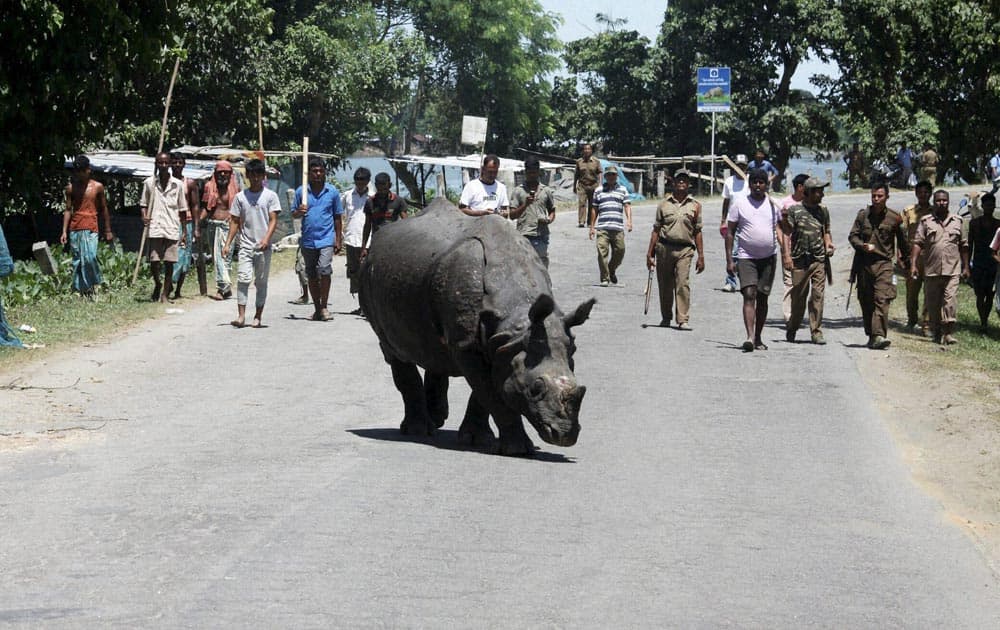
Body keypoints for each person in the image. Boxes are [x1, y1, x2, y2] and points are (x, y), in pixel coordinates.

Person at [725, 169, 783, 351]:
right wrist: (729, 260)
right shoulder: (740, 205)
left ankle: (758, 337)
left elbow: (783, 229)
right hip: (746, 257)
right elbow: (730, 232)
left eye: (762, 182)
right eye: (755, 182)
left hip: (768, 258)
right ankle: (749, 336)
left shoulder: (774, 205)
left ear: (767, 185)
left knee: (763, 298)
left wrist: (787, 253)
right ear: (749, 185)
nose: (758, 185)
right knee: (749, 294)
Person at [222, 159, 280, 328]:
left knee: (261, 282)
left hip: (263, 246)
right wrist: (227, 244)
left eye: (258, 175)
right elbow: (234, 221)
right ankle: (241, 316)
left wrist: (266, 239)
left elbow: (273, 220)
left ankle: (258, 316)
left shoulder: (270, 196)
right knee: (243, 278)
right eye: (252, 175)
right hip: (246, 245)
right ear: (247, 176)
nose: (255, 178)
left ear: (263, 176)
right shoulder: (240, 197)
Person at [849, 183, 908, 349]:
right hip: (864, 264)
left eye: (880, 196)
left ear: (887, 197)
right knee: (866, 300)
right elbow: (852, 236)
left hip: (884, 264)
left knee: (881, 298)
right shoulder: (862, 216)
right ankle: (871, 334)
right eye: (873, 196)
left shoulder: (895, 218)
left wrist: (907, 262)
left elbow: (903, 243)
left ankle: (879, 335)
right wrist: (862, 245)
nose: (876, 199)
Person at [645, 168, 704, 329]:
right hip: (664, 248)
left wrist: (701, 256)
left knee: (682, 283)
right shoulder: (663, 205)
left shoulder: (695, 206)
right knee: (665, 285)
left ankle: (683, 319)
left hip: (685, 250)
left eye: (685, 179)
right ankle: (666, 317)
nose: (682, 182)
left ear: (689, 183)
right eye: (679, 179)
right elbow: (656, 229)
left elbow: (698, 231)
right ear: (674, 182)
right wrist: (650, 253)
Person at [910, 190, 970, 345]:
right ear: (934, 202)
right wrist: (913, 264)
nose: (941, 203)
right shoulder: (926, 221)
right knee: (933, 303)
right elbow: (917, 243)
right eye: (938, 201)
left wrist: (966, 267)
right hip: (932, 270)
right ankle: (936, 331)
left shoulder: (958, 221)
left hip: (953, 270)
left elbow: (964, 245)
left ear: (948, 201)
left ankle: (948, 332)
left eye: (944, 200)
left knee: (950, 301)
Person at [781, 177, 834, 345]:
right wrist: (787, 256)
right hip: (799, 261)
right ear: (808, 192)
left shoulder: (823, 211)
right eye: (818, 191)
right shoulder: (795, 210)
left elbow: (826, 231)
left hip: (818, 259)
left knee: (818, 296)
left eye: (822, 191)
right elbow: (787, 233)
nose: (822, 194)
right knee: (799, 299)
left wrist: (829, 244)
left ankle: (816, 331)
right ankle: (792, 327)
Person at [292, 157, 343, 321]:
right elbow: (293, 213)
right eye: (314, 171)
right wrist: (300, 211)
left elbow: (337, 217)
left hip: (326, 238)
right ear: (310, 173)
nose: (318, 174)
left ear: (325, 173)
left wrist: (338, 239)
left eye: (321, 171)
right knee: (312, 274)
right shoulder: (302, 192)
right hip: (308, 240)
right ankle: (317, 308)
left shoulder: (332, 192)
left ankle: (325, 306)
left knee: (324, 269)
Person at [61, 155, 113, 296]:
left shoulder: (97, 187)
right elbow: (67, 210)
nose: (79, 174)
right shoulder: (71, 188)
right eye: (77, 171)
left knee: (89, 257)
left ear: (88, 170)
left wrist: (108, 230)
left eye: (82, 171)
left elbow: (104, 208)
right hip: (75, 227)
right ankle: (81, 290)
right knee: (77, 260)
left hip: (91, 225)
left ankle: (94, 283)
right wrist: (64, 231)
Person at [140, 151, 188, 303]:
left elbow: (182, 209)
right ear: (156, 164)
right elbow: (143, 204)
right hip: (155, 227)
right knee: (154, 261)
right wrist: (144, 215)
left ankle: (165, 294)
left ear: (170, 164)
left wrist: (184, 231)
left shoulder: (178, 185)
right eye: (160, 163)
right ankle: (158, 283)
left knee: (169, 263)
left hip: (172, 227)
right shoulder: (149, 183)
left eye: (166, 163)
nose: (163, 165)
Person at [200, 160, 240, 301]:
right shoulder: (209, 187)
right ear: (215, 174)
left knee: (223, 257)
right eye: (220, 172)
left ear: (230, 174)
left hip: (228, 226)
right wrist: (198, 222)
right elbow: (206, 207)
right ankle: (226, 289)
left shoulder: (235, 189)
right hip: (212, 225)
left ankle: (222, 288)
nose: (223, 174)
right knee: (216, 257)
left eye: (226, 172)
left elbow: (240, 210)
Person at [509, 156, 556, 267]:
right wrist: (525, 205)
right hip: (524, 235)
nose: (532, 175)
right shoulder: (518, 191)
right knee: (525, 267)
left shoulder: (546, 190)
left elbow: (552, 211)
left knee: (541, 266)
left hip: (541, 235)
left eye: (534, 172)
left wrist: (549, 219)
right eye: (529, 173)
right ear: (525, 172)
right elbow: (512, 215)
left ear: (538, 172)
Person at [901, 180, 934, 334]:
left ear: (930, 194)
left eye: (926, 192)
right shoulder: (909, 211)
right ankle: (912, 320)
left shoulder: (936, 212)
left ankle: (926, 323)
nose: (923, 195)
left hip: (930, 257)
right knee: (912, 292)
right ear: (916, 194)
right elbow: (901, 235)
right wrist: (900, 256)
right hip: (913, 257)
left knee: (930, 291)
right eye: (920, 192)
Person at [590, 166, 632, 286]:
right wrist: (592, 227)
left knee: (620, 251)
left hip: (617, 228)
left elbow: (627, 206)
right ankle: (604, 278)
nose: (611, 177)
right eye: (608, 175)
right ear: (605, 176)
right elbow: (594, 209)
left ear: (616, 176)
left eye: (613, 175)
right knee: (602, 253)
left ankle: (611, 269)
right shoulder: (598, 190)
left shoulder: (623, 190)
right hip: (603, 228)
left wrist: (629, 221)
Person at [168, 152, 201, 299]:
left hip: (186, 223)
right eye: (174, 162)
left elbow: (195, 206)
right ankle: (168, 285)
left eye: (180, 162)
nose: (177, 165)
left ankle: (178, 290)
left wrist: (196, 227)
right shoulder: (165, 182)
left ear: (184, 164)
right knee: (170, 255)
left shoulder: (190, 183)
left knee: (185, 256)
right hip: (169, 222)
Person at [778, 173, 809, 321]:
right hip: (789, 249)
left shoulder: (810, 204)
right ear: (800, 187)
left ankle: (797, 314)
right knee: (789, 282)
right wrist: (784, 249)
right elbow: (778, 227)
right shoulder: (784, 203)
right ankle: (788, 317)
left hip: (806, 251)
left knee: (802, 284)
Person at [360, 172, 408, 265]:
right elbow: (367, 226)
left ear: (389, 185)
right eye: (379, 188)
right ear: (376, 186)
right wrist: (363, 247)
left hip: (393, 242)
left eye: (384, 188)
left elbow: (406, 224)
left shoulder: (398, 201)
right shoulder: (370, 202)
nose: (382, 191)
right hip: (376, 243)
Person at [341, 167, 370, 315]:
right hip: (351, 239)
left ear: (368, 182)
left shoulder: (373, 197)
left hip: (369, 241)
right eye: (357, 182)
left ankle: (369, 306)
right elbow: (339, 213)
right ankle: (361, 306)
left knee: (367, 273)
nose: (360, 185)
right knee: (354, 272)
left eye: (362, 182)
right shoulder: (347, 196)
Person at [969, 193, 999, 331]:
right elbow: (969, 245)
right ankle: (983, 321)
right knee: (980, 294)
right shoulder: (974, 223)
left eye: (992, 205)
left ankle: (985, 320)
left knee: (990, 295)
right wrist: (967, 266)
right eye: (987, 205)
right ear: (982, 206)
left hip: (993, 264)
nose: (989, 208)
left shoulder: (998, 225)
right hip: (978, 263)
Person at [720, 154, 750, 292]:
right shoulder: (729, 182)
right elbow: (726, 201)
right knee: (733, 252)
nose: (740, 168)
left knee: (748, 254)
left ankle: (747, 281)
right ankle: (731, 281)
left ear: (746, 167)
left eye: (743, 166)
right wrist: (723, 220)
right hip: (733, 222)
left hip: (749, 222)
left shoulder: (751, 181)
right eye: (738, 165)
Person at [574, 143, 602, 228]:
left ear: (591, 150)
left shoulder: (596, 161)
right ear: (583, 151)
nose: (587, 150)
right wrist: (574, 186)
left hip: (593, 185)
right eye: (585, 149)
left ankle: (590, 222)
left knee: (592, 204)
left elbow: (600, 173)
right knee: (582, 203)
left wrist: (600, 185)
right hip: (582, 185)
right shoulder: (579, 161)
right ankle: (581, 221)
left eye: (588, 149)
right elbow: (576, 175)